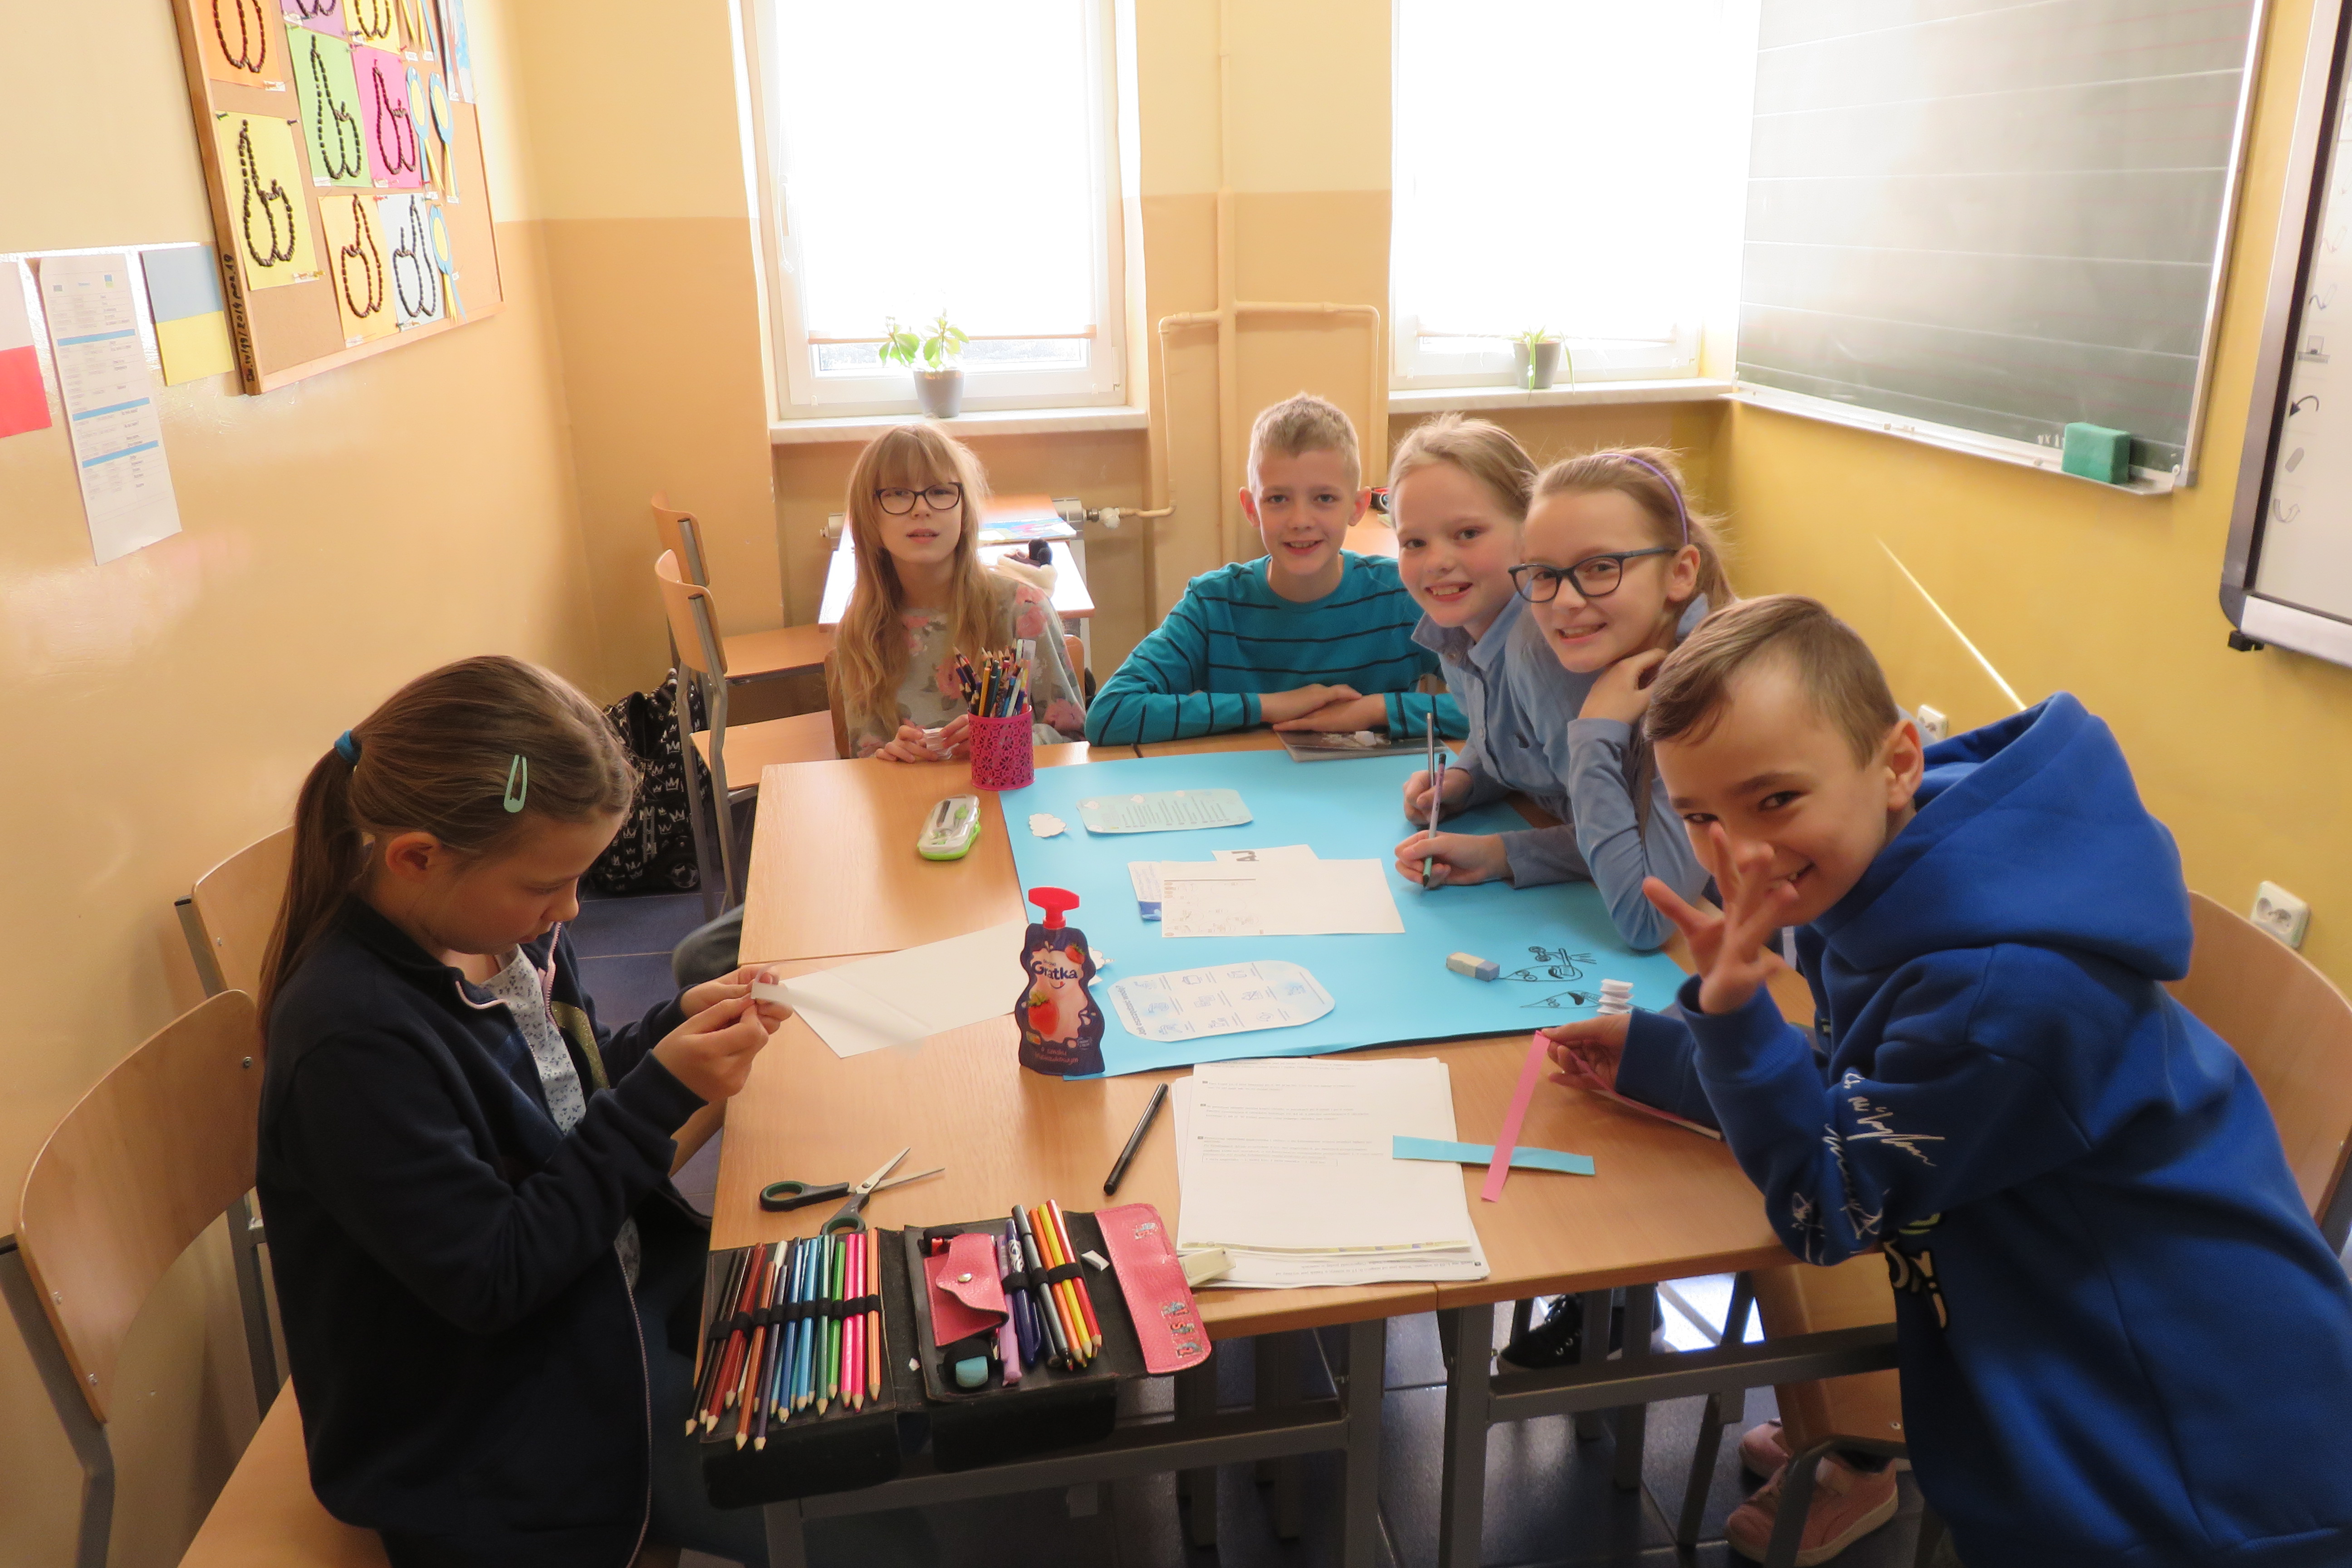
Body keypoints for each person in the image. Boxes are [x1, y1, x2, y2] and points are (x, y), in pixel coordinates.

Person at [1545, 596, 2352, 1567]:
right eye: (1701, 816)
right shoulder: (1891, 874)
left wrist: (1734, 1021)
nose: (1743, 853)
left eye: (1776, 800)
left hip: (2183, 1465)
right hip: (2091, 1367)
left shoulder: (1993, 996)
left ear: (1896, 763)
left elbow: (1827, 1207)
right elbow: (1872, 1095)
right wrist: (1671, 1057)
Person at [256, 655, 789, 1568]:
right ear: (418, 858)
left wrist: (670, 1030)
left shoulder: (499, 934)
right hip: (495, 1429)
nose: (571, 908)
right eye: (548, 885)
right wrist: (660, 1093)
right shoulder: (351, 1041)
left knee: (860, 1369)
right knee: (859, 1511)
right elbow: (496, 1276)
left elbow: (562, 1096)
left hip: (605, 1303)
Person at [1386, 429, 1718, 951]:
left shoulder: (1698, 694)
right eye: (1545, 574)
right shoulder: (1472, 629)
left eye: (1601, 567)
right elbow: (1522, 746)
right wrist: (1471, 778)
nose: (1565, 600)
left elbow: (1646, 908)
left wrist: (1593, 732)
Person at [1085, 392, 1462, 744]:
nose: (1301, 520)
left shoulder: (1400, 595)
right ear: (1252, 509)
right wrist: (1268, 706)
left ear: (1358, 507)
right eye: (1278, 499)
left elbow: (1494, 707)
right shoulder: (1214, 605)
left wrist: (1377, 710)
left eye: (1324, 498)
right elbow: (1110, 713)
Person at [834, 423, 1087, 760]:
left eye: (940, 491)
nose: (921, 509)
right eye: (897, 493)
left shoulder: (1024, 609)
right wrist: (889, 756)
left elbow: (1074, 740)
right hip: (911, 793)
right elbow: (864, 759)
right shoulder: (861, 632)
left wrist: (1005, 741)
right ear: (869, 516)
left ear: (964, 511)